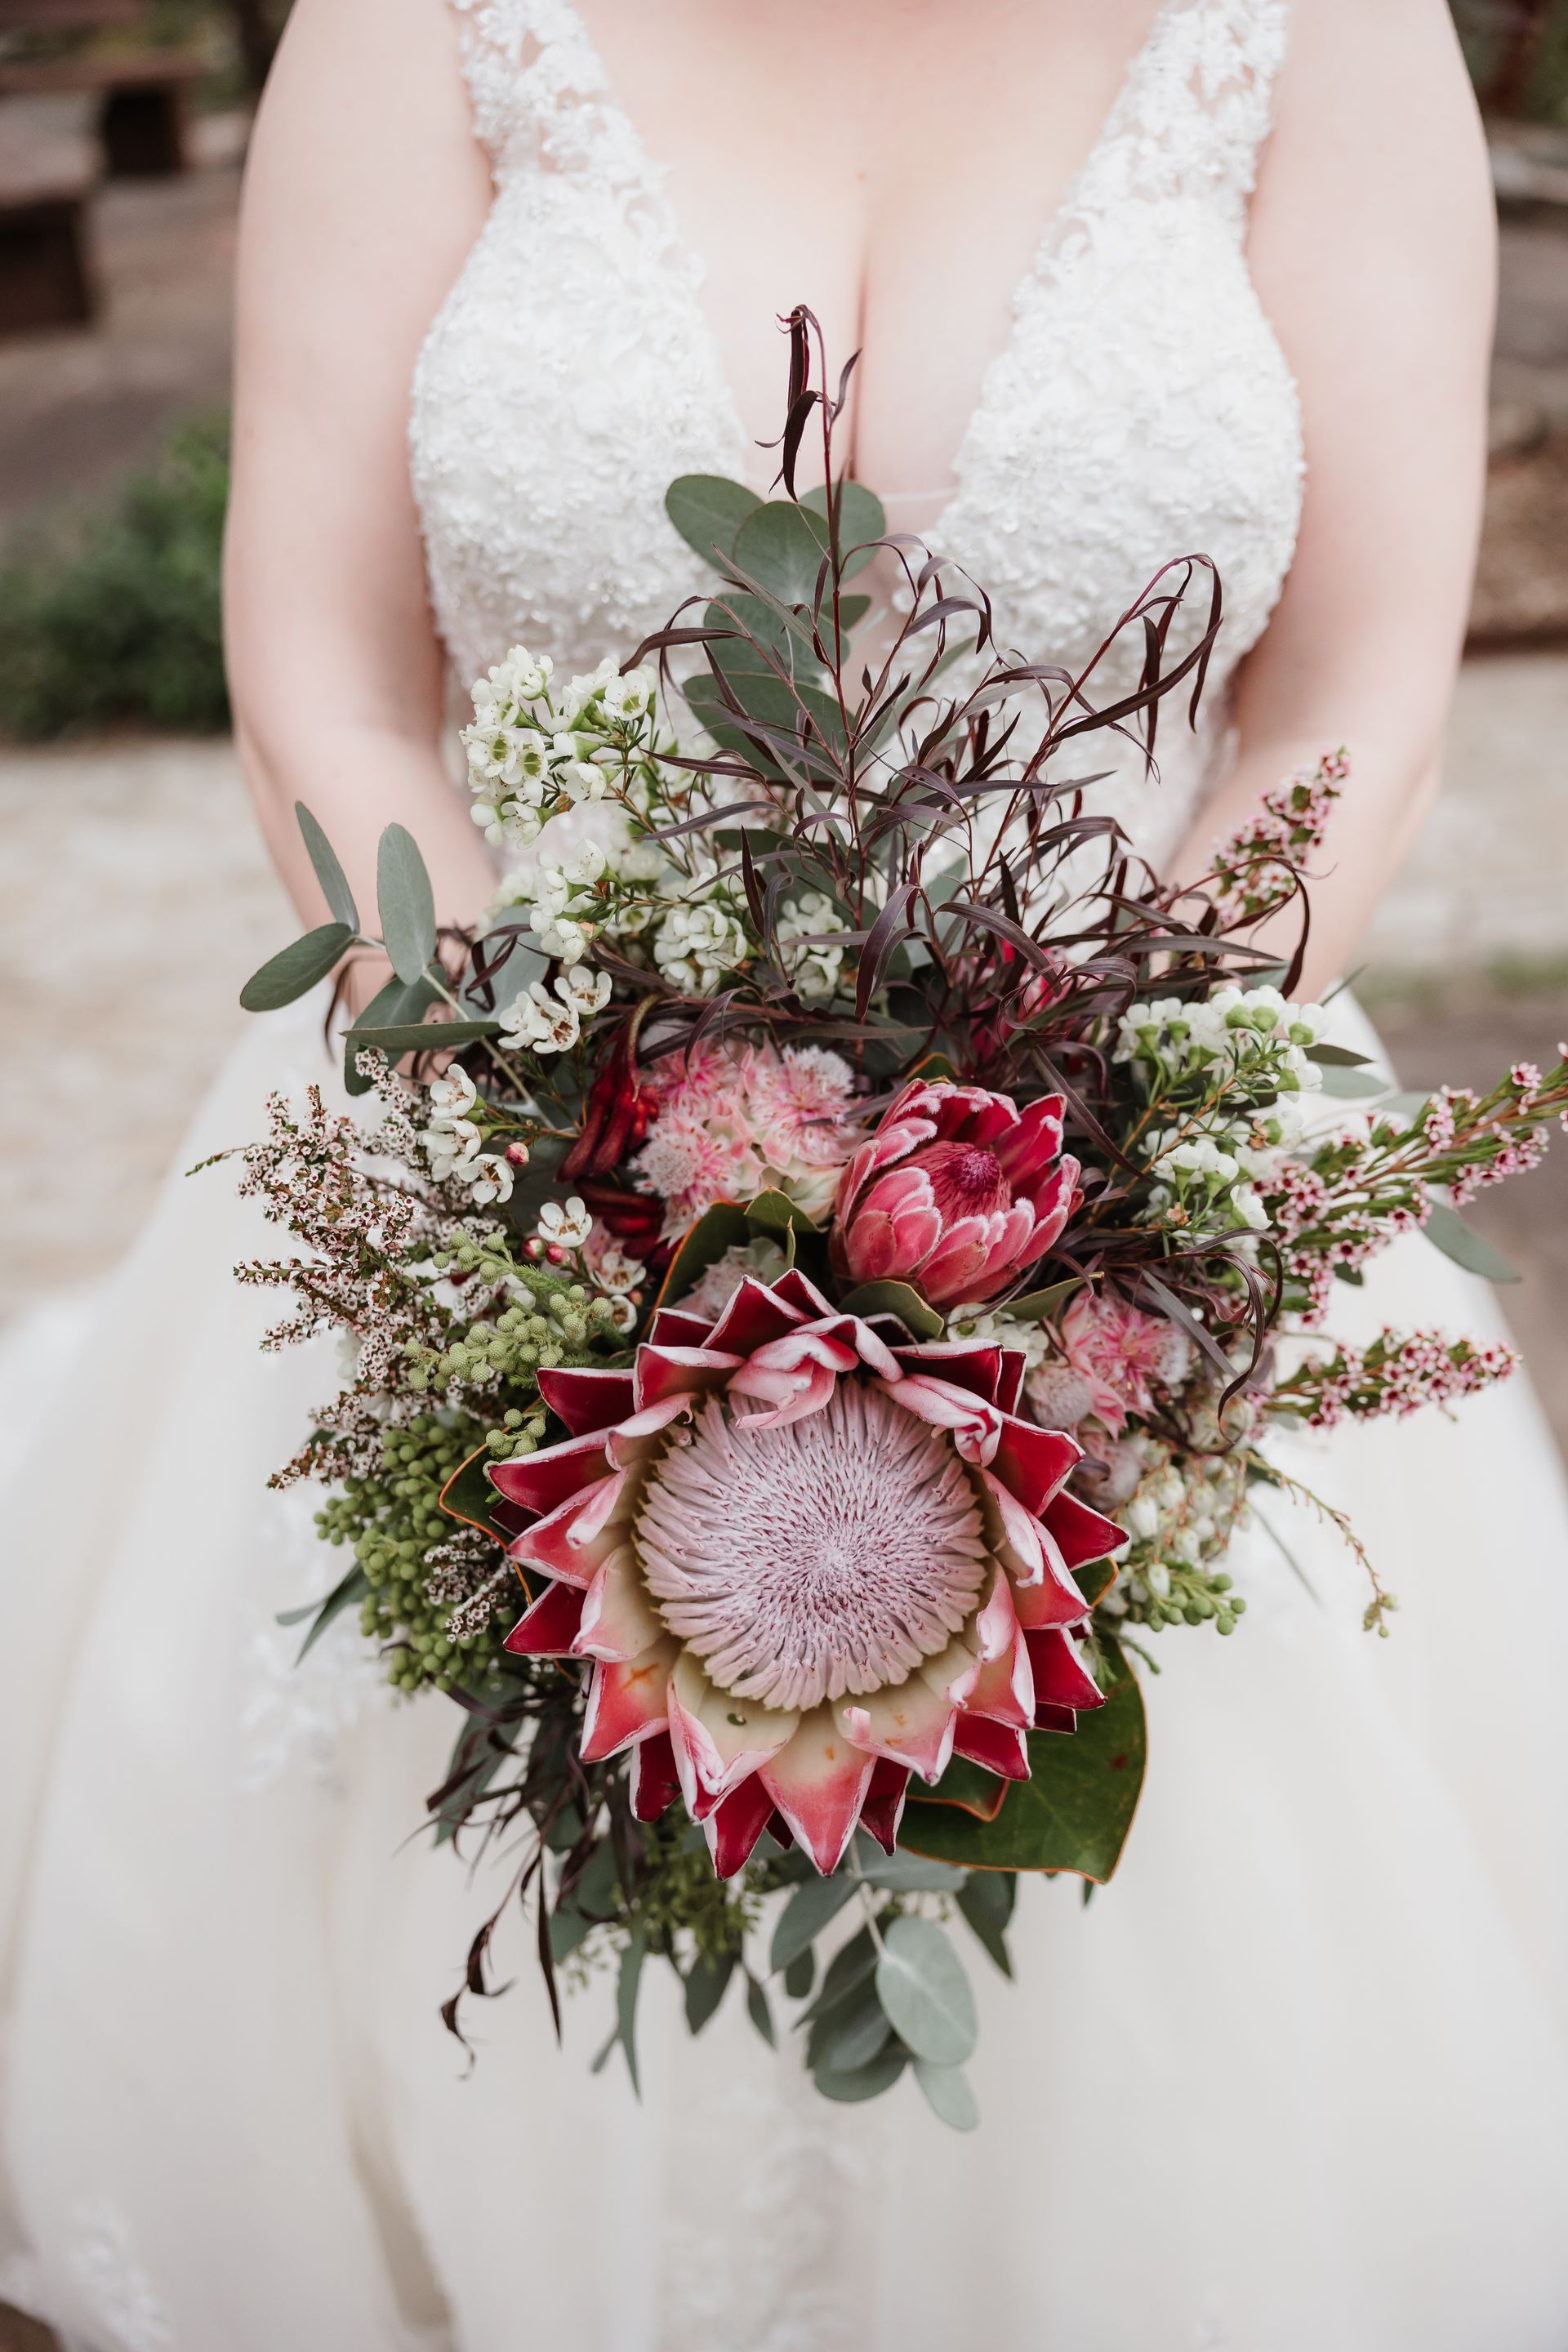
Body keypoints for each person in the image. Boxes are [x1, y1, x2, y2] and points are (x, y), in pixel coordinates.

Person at [4, 1, 1567, 2345]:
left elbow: (1354, 702)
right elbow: (324, 670)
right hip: (489, 1174)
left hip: (1144, 1178)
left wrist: (1099, 1167)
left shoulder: (1317, 29)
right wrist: (544, 1150)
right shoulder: (414, 23)